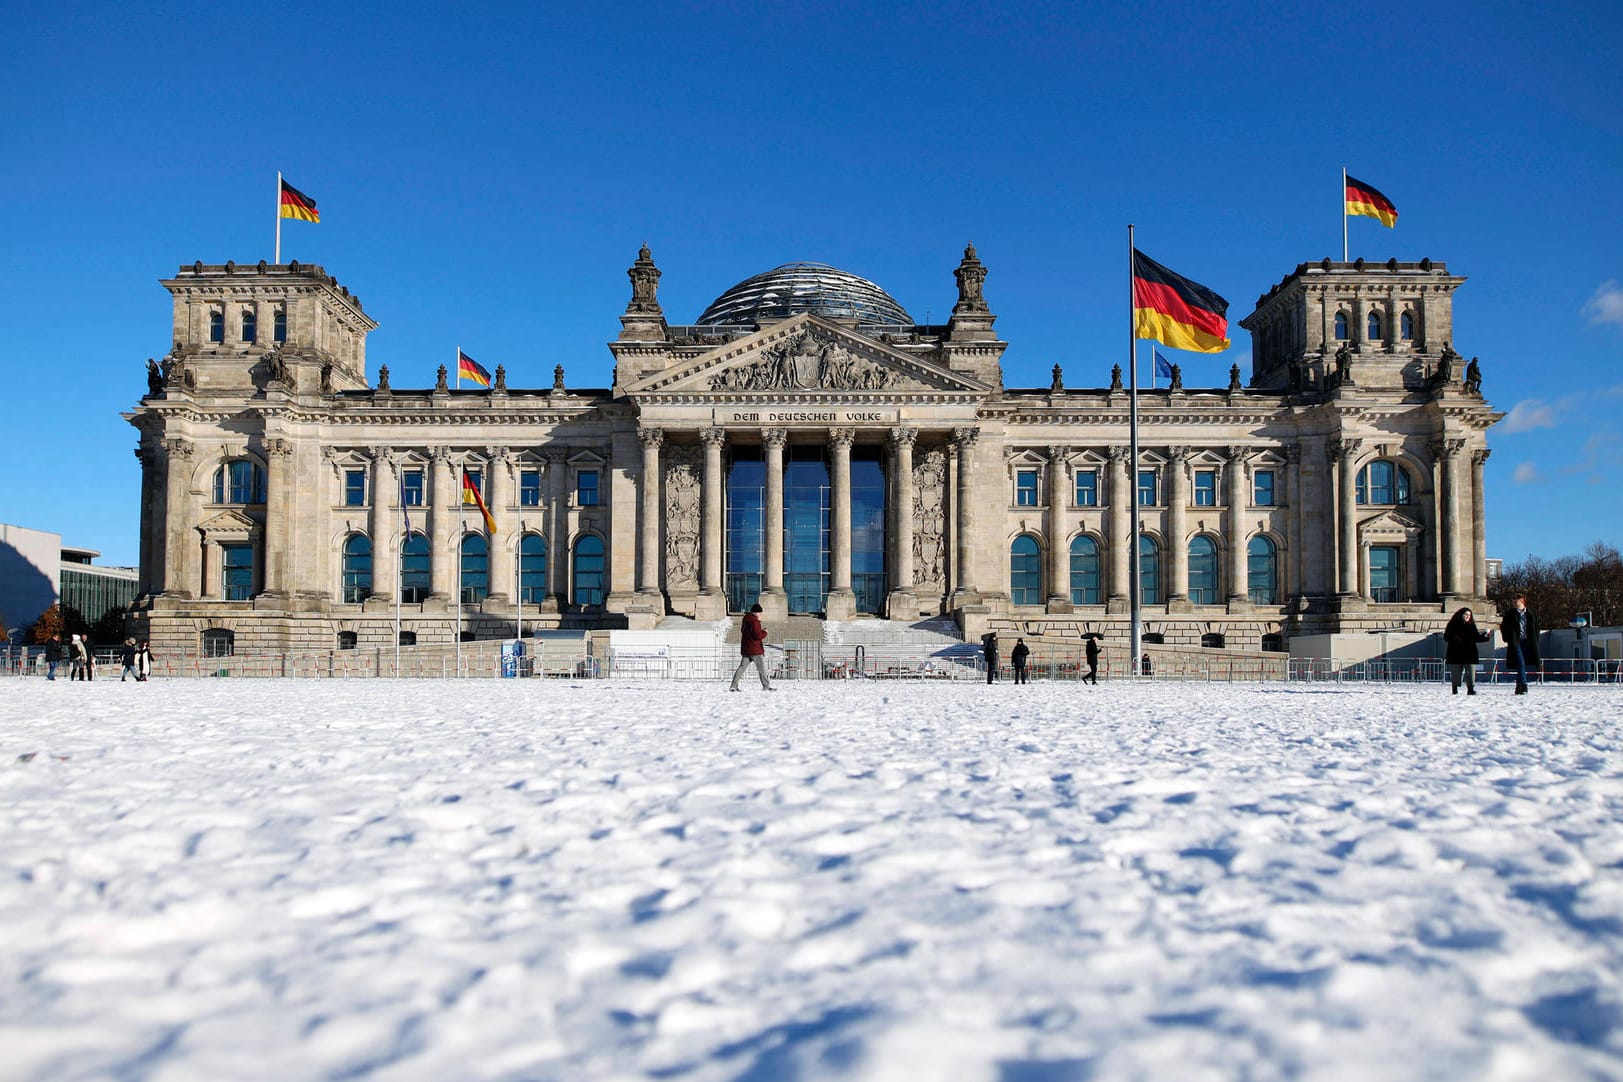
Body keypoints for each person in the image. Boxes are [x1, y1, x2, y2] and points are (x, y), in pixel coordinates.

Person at [1442, 607, 1490, 695]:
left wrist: (1485, 637)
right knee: (1456, 672)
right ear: (1461, 615)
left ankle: (1470, 688)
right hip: (1456, 652)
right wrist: (1455, 638)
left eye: (1469, 615)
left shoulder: (1471, 625)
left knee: (1470, 671)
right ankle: (1455, 688)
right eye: (1466, 615)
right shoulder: (1452, 625)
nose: (1468, 617)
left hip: (1470, 652)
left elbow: (1476, 638)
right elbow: (1446, 637)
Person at [1500, 595, 1540, 695]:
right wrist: (1507, 639)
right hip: (1515, 641)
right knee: (1521, 662)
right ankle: (1524, 685)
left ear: (1522, 601)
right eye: (1512, 600)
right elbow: (1503, 627)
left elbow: (1536, 628)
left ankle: (1518, 687)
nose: (1513, 602)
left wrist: (1535, 639)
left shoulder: (1531, 614)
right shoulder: (1510, 614)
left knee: (1522, 664)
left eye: (1516, 600)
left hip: (1527, 641)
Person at [729, 603, 774, 692]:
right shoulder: (755, 622)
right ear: (756, 613)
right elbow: (757, 636)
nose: (760, 615)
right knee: (761, 669)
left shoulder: (746, 620)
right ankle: (766, 686)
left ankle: (733, 685)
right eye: (760, 613)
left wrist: (760, 631)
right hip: (755, 650)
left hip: (746, 649)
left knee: (741, 668)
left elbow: (748, 633)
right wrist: (765, 632)